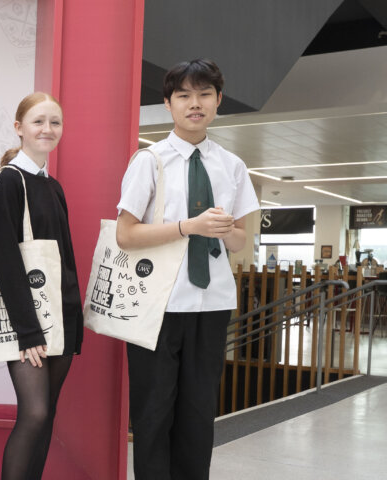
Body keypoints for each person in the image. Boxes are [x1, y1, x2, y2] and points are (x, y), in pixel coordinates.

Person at [115, 59, 258, 479]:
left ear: (217, 101)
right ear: (167, 104)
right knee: (154, 413)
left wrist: (224, 229)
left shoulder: (232, 165)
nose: (195, 104)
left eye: (204, 95)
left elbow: (240, 240)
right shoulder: (150, 160)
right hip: (157, 303)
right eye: (184, 96)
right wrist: (187, 227)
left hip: (211, 301)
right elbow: (126, 234)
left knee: (198, 414)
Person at [0, 92, 83, 479]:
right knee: (35, 413)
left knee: (48, 417)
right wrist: (27, 331)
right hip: (27, 323)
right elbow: (5, 260)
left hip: (60, 315)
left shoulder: (53, 186)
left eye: (55, 122)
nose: (48, 129)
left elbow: (65, 258)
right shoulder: (9, 181)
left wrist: (74, 320)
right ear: (19, 128)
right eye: (38, 121)